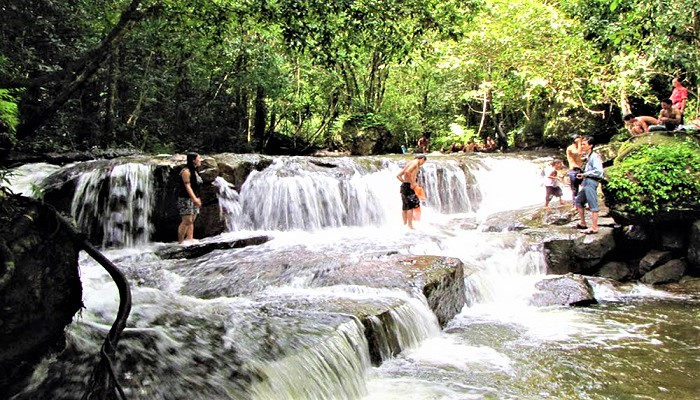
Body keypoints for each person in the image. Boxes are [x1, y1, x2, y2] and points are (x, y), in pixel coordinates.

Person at [574, 137, 604, 234]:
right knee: (578, 201)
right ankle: (583, 223)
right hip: (586, 181)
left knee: (592, 204)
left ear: (590, 146)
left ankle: (594, 227)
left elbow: (599, 172)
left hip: (591, 182)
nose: (582, 146)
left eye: (584, 144)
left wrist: (585, 174)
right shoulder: (588, 156)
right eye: (581, 144)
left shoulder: (594, 156)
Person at [177, 152, 203, 245]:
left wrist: (196, 198)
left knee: (192, 220)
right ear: (193, 160)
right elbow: (187, 186)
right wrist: (194, 199)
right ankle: (180, 242)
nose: (200, 160)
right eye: (199, 158)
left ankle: (190, 239)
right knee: (186, 221)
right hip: (185, 199)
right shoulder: (186, 171)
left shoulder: (195, 171)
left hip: (194, 198)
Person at [397, 154, 427, 229]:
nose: (422, 163)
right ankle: (410, 225)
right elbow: (407, 172)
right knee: (410, 206)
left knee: (405, 206)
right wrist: (412, 183)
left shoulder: (410, 163)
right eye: (423, 161)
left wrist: (405, 182)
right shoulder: (415, 163)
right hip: (409, 187)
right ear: (422, 159)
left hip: (404, 187)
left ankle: (404, 223)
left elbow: (398, 175)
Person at [566, 135, 584, 204]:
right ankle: (575, 205)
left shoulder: (580, 147)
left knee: (585, 186)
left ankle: (584, 202)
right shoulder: (570, 148)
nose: (580, 140)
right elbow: (578, 153)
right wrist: (579, 142)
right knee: (575, 189)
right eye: (578, 139)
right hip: (574, 170)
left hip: (581, 169)